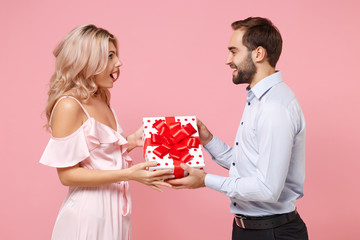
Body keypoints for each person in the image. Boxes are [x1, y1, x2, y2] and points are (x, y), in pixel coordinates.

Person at [168, 17, 309, 240]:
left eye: (234, 51)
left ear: (258, 54)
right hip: (249, 230)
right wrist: (208, 141)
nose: (228, 60)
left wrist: (204, 180)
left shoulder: (274, 108)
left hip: (272, 233)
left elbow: (267, 189)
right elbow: (249, 165)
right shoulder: (259, 100)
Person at [40, 24, 174, 240]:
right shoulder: (69, 105)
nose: (119, 62)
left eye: (116, 55)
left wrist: (130, 140)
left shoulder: (101, 97)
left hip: (116, 211)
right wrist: (129, 174)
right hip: (87, 215)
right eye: (110, 56)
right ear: (87, 61)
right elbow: (66, 175)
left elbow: (98, 154)